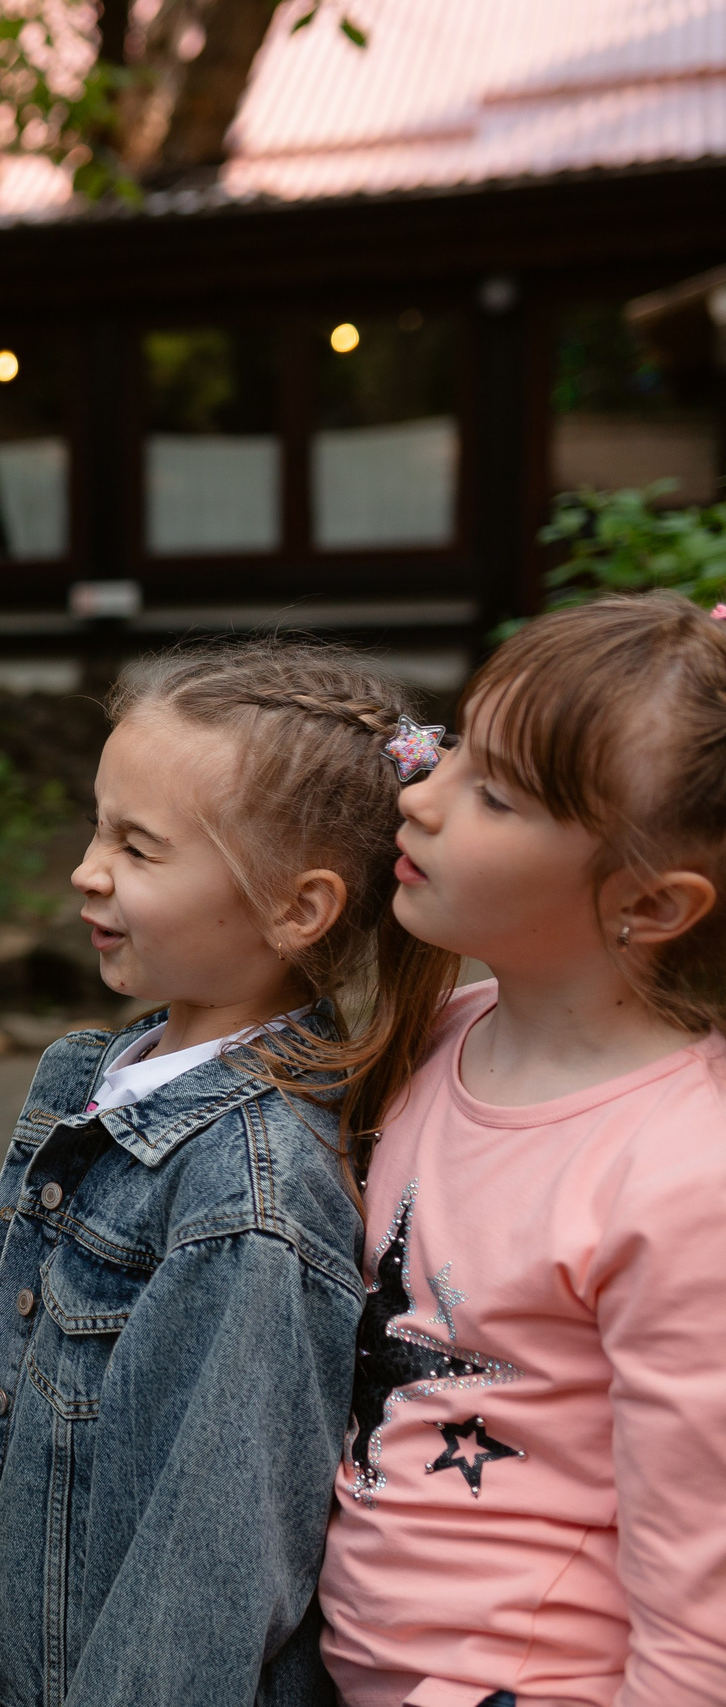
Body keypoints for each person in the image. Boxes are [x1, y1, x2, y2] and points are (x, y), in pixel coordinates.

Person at [0, 641, 458, 1707]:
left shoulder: (249, 1191)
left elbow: (205, 1570)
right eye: (97, 824)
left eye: (138, 846)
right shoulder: (95, 1074)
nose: (88, 868)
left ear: (295, 910)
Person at [316, 593, 726, 1707]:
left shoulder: (684, 1175)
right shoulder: (446, 1034)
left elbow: (703, 1592)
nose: (423, 793)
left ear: (649, 903)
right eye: (453, 750)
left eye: (492, 793)